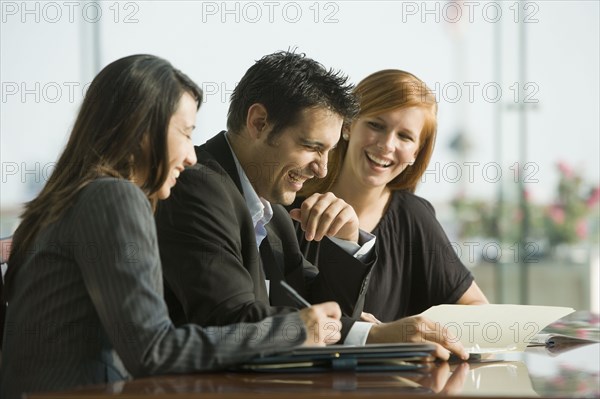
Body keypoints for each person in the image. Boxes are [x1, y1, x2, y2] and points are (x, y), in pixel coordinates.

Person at [0, 54, 342, 398]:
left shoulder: (79, 198)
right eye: (186, 132)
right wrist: (291, 331)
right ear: (141, 130)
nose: (192, 156)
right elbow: (153, 351)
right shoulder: (115, 196)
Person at [155, 51, 469, 360]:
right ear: (259, 122)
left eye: (329, 151)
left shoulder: (273, 211)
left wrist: (346, 243)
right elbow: (234, 323)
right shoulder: (197, 187)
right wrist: (370, 335)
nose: (321, 169)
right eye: (311, 147)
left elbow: (313, 310)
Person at [295, 69, 488, 323]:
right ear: (349, 125)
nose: (387, 145)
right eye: (376, 125)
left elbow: (480, 311)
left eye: (405, 137)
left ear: (415, 154)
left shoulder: (413, 217)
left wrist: (394, 333)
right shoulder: (289, 206)